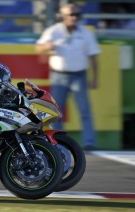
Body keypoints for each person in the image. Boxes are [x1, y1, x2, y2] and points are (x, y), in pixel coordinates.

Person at [35, 3, 100, 150]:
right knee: (57, 112)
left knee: (85, 110)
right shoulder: (54, 31)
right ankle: (57, 142)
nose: (75, 18)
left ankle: (90, 142)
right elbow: (39, 47)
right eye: (72, 15)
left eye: (77, 15)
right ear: (63, 17)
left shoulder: (85, 33)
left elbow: (93, 57)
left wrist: (95, 78)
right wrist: (47, 47)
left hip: (79, 75)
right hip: (59, 75)